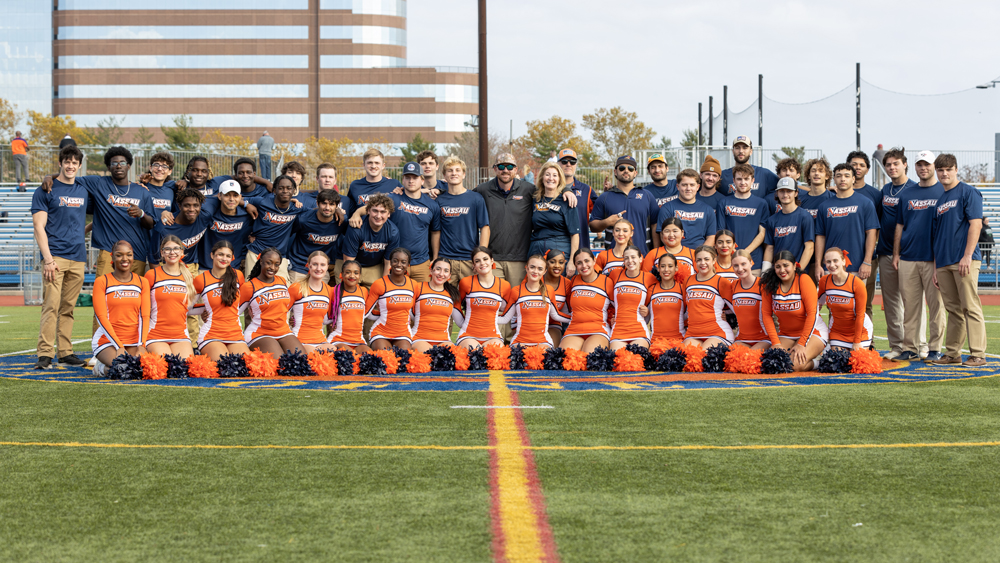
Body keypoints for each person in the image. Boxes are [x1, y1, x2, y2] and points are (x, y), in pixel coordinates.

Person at [476, 152, 576, 297]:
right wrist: (439, 189)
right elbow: (462, 194)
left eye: (510, 166)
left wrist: (567, 190)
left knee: (518, 300)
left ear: (516, 169)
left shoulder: (528, 190)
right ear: (495, 169)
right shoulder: (483, 189)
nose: (505, 170)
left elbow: (549, 187)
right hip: (494, 258)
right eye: (501, 166)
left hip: (519, 258)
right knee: (495, 301)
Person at [32, 145, 89, 369]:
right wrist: (48, 259)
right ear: (60, 163)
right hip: (54, 257)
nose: (71, 165)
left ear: (79, 165)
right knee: (51, 306)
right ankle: (45, 353)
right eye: (67, 161)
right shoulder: (46, 189)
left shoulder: (84, 189)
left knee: (68, 308)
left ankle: (65, 352)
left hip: (78, 257)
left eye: (75, 162)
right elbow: (39, 227)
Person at [930, 154, 987, 367]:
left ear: (956, 170)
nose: (944, 173)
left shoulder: (968, 192)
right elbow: (937, 236)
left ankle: (978, 354)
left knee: (970, 307)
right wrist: (936, 267)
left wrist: (967, 255)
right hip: (944, 262)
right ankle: (953, 353)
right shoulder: (941, 200)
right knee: (953, 310)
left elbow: (976, 225)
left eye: (948, 169)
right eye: (941, 170)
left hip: (964, 260)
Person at [892, 150, 945, 362]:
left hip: (934, 259)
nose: (923, 168)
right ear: (914, 167)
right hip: (908, 257)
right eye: (920, 165)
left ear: (934, 166)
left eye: (927, 164)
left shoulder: (943, 191)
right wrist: (896, 254)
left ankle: (935, 348)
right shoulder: (907, 193)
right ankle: (910, 348)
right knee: (910, 307)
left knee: (936, 307)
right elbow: (900, 225)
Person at [351, 162, 440, 282]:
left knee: (422, 298)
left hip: (421, 263)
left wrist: (435, 258)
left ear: (422, 180)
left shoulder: (432, 205)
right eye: (407, 177)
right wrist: (357, 213)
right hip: (395, 262)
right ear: (402, 180)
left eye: (415, 177)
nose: (411, 181)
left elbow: (435, 232)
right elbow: (371, 207)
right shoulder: (393, 198)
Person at [876, 148, 917, 359]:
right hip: (885, 252)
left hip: (908, 253)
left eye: (896, 163)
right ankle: (897, 346)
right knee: (891, 302)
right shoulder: (885, 190)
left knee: (911, 301)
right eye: (888, 164)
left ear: (905, 164)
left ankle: (918, 345)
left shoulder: (914, 189)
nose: (892, 167)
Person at [760, 250, 829, 372]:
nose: (782, 270)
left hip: (813, 333)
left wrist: (802, 343)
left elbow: (812, 314)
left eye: (786, 265)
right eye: (778, 267)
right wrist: (776, 343)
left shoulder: (803, 280)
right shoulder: (769, 285)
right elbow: (766, 315)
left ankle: (820, 362)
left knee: (794, 365)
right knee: (774, 363)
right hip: (786, 334)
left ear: (794, 266)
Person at [91, 241, 150, 376]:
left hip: (134, 340)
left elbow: (145, 316)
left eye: (129, 255)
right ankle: (101, 369)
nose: (125, 259)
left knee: (143, 371)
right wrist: (119, 346)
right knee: (124, 371)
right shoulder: (102, 281)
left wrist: (142, 345)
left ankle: (109, 364)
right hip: (107, 341)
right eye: (119, 255)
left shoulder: (142, 282)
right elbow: (101, 317)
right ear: (112, 257)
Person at [814, 164, 878, 285]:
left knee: (857, 304)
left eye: (847, 176)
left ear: (853, 179)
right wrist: (818, 265)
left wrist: (867, 262)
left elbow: (871, 233)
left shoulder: (865, 203)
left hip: (857, 267)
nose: (843, 179)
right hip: (831, 266)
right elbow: (820, 237)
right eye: (839, 176)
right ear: (834, 179)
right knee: (832, 303)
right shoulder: (824, 206)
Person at [239, 247, 303, 355]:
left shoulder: (282, 281)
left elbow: (284, 305)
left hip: (284, 331)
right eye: (269, 263)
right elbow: (234, 312)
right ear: (261, 262)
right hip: (260, 333)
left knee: (302, 361)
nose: (272, 267)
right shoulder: (249, 286)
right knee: (279, 363)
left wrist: (294, 318)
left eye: (276, 264)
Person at [435, 156, 490, 285]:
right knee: (447, 300)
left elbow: (485, 228)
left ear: (464, 174)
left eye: (457, 170)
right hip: (446, 259)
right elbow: (436, 231)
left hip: (469, 260)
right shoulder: (439, 200)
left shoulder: (476, 198)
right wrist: (437, 258)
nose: (454, 173)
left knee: (471, 299)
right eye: (450, 170)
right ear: (444, 175)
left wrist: (480, 258)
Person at [193, 241, 250, 361]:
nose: (224, 258)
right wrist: (206, 309)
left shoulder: (238, 275)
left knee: (244, 366)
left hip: (235, 334)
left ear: (232, 258)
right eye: (220, 254)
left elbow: (241, 304)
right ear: (212, 255)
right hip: (211, 335)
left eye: (228, 256)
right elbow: (187, 308)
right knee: (224, 364)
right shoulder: (200, 279)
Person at [243, 174, 307, 280]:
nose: (285, 191)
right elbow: (237, 199)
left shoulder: (297, 208)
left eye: (288, 188)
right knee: (252, 288)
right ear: (274, 191)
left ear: (294, 191)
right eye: (281, 188)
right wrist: (246, 204)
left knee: (283, 290)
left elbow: (317, 212)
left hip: (279, 257)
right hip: (256, 253)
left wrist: (337, 210)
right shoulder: (262, 202)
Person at [590, 155, 659, 254]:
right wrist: (607, 222)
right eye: (622, 168)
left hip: (642, 256)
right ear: (615, 172)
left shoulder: (647, 196)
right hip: (614, 258)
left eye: (630, 168)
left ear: (635, 173)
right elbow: (592, 226)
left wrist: (655, 253)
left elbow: (655, 225)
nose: (626, 171)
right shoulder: (604, 197)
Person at [144, 235, 197, 359]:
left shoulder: (189, 277)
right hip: (156, 334)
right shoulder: (152, 275)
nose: (172, 252)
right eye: (167, 249)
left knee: (184, 368)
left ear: (182, 252)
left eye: (176, 249)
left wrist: (206, 310)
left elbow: (188, 307)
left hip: (180, 335)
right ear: (162, 253)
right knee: (164, 367)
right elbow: (144, 308)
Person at [500, 254, 568, 348]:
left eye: (540, 269)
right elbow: (505, 318)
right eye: (532, 267)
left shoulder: (549, 290)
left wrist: (576, 317)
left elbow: (556, 314)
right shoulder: (516, 290)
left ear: (544, 271)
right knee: (520, 360)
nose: (535, 271)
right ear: (526, 268)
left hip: (543, 341)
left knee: (544, 359)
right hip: (520, 340)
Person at [847, 150, 883, 318]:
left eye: (862, 165)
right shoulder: (836, 193)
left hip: (867, 257)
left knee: (865, 303)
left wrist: (867, 259)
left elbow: (875, 228)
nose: (858, 168)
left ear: (868, 169)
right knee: (839, 302)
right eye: (854, 164)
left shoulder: (875, 195)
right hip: (840, 258)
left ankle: (867, 341)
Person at [528, 162, 580, 272]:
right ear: (542, 177)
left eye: (555, 175)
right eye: (547, 174)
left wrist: (571, 261)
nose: (551, 178)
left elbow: (575, 234)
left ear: (560, 179)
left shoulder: (567, 200)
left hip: (560, 251)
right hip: (537, 250)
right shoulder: (534, 199)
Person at [559, 249, 614, 353]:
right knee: (567, 359)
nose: (584, 266)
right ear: (575, 266)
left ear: (594, 261)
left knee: (590, 357)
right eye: (579, 263)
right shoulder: (574, 280)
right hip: (574, 329)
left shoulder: (607, 281)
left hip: (598, 330)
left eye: (587, 261)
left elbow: (618, 305)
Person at [818, 247, 873, 351]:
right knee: (838, 363)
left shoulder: (856, 283)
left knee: (857, 364)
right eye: (828, 262)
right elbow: (817, 304)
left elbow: (860, 315)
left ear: (843, 261)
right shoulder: (824, 281)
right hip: (837, 331)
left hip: (860, 330)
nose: (832, 265)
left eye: (835, 261)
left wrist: (857, 341)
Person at [456, 246, 511, 349]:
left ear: (492, 261)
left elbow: (507, 310)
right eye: (477, 261)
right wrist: (462, 323)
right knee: (474, 353)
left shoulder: (504, 285)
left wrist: (493, 319)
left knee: (496, 356)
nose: (482, 263)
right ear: (474, 265)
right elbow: (456, 305)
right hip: (468, 335)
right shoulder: (466, 282)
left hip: (493, 336)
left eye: (485, 259)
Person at [717, 164, 770, 270]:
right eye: (739, 179)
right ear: (734, 180)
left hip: (753, 262)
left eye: (746, 179)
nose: (742, 182)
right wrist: (732, 251)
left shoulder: (761, 204)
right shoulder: (723, 203)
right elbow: (720, 233)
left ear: (752, 180)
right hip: (728, 261)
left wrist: (745, 252)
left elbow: (762, 233)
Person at [341, 193, 400, 287]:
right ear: (368, 211)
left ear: (389, 214)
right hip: (351, 263)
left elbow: (388, 262)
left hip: (373, 266)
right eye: (375, 211)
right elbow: (348, 260)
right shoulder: (357, 228)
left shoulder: (393, 232)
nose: (378, 215)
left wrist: (384, 287)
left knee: (378, 293)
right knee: (350, 295)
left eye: (383, 212)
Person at [364, 248, 417, 350]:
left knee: (404, 360)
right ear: (390, 262)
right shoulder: (379, 284)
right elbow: (366, 312)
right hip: (381, 332)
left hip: (403, 333)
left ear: (408, 265)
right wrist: (384, 314)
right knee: (385, 359)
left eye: (403, 262)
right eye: (395, 260)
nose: (398, 265)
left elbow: (413, 312)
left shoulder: (413, 284)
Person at [198, 180, 254, 272]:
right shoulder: (209, 213)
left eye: (235, 195)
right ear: (219, 196)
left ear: (240, 197)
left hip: (233, 268)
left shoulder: (246, 216)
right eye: (227, 195)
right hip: (207, 267)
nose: (231, 199)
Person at [288, 189, 342, 284]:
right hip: (299, 266)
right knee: (296, 295)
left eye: (331, 204)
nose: (327, 207)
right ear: (317, 203)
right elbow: (286, 233)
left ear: (337, 206)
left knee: (318, 297)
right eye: (324, 203)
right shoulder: (303, 220)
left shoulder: (341, 222)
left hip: (320, 268)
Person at [609, 246, 657, 349]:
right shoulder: (614, 274)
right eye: (626, 258)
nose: (630, 261)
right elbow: (606, 299)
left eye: (633, 257)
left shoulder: (649, 277)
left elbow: (656, 300)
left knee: (638, 360)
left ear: (640, 259)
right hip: (618, 329)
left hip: (639, 330)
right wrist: (611, 316)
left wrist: (648, 311)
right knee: (618, 360)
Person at [763, 177, 814, 273]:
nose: (785, 194)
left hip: (797, 272)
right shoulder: (772, 220)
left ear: (796, 193)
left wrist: (798, 270)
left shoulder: (805, 216)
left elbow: (809, 247)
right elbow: (769, 248)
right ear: (777, 193)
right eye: (782, 191)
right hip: (779, 272)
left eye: (789, 191)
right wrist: (765, 272)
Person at [656, 169, 717, 249]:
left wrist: (701, 254)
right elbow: (663, 235)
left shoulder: (708, 210)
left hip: (699, 257)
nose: (688, 188)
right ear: (678, 186)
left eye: (692, 185)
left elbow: (711, 237)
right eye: (684, 185)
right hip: (675, 255)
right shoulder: (667, 208)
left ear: (698, 187)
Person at [288, 251, 335, 352]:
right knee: (316, 356)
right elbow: (282, 312)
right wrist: (291, 320)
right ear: (308, 266)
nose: (318, 268)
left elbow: (326, 319)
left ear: (327, 267)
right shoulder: (297, 288)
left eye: (322, 265)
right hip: (300, 340)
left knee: (336, 355)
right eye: (315, 264)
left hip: (321, 340)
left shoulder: (328, 290)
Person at [411, 258, 459, 352]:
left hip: (444, 340)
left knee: (452, 359)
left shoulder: (452, 294)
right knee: (431, 357)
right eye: (438, 269)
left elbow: (461, 321)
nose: (441, 274)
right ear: (431, 270)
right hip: (419, 339)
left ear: (449, 275)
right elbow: (408, 312)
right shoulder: (418, 287)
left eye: (446, 271)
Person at [326, 260, 371, 353]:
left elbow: (368, 313)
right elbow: (322, 313)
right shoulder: (333, 291)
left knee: (371, 357)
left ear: (360, 276)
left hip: (359, 340)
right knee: (351, 357)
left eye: (356, 273)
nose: (352, 276)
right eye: (348, 272)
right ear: (341, 274)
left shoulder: (364, 291)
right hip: (338, 339)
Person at [720, 135, 779, 205]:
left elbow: (784, 186)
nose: (741, 151)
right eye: (737, 148)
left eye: (745, 148)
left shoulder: (764, 174)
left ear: (751, 151)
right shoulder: (723, 176)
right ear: (733, 151)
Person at [729, 249, 770, 350]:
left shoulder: (763, 284)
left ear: (751, 263)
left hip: (763, 338)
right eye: (736, 265)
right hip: (741, 339)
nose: (740, 268)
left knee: (749, 361)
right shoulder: (733, 285)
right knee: (730, 362)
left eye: (743, 264)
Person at [346, 148, 401, 217]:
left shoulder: (394, 184)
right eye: (369, 163)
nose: (373, 166)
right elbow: (350, 210)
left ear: (383, 166)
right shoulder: (355, 185)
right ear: (364, 165)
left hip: (387, 227)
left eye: (377, 163)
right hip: (362, 227)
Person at [559, 148, 596, 242]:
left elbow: (601, 211)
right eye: (564, 161)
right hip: (556, 248)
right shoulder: (550, 188)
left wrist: (607, 194)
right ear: (557, 164)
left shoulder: (587, 190)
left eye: (572, 161)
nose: (568, 164)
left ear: (576, 165)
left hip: (580, 247)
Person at [648, 252, 686, 342]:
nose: (666, 269)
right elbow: (642, 315)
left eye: (670, 266)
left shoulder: (683, 289)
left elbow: (691, 313)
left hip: (680, 340)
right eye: (663, 266)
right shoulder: (651, 290)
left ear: (676, 268)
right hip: (655, 341)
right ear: (658, 268)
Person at [543, 249, 570, 344]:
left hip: (554, 324)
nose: (557, 266)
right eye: (552, 262)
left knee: (550, 350)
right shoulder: (535, 279)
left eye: (561, 262)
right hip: (532, 324)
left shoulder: (567, 283)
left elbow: (567, 311)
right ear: (546, 263)